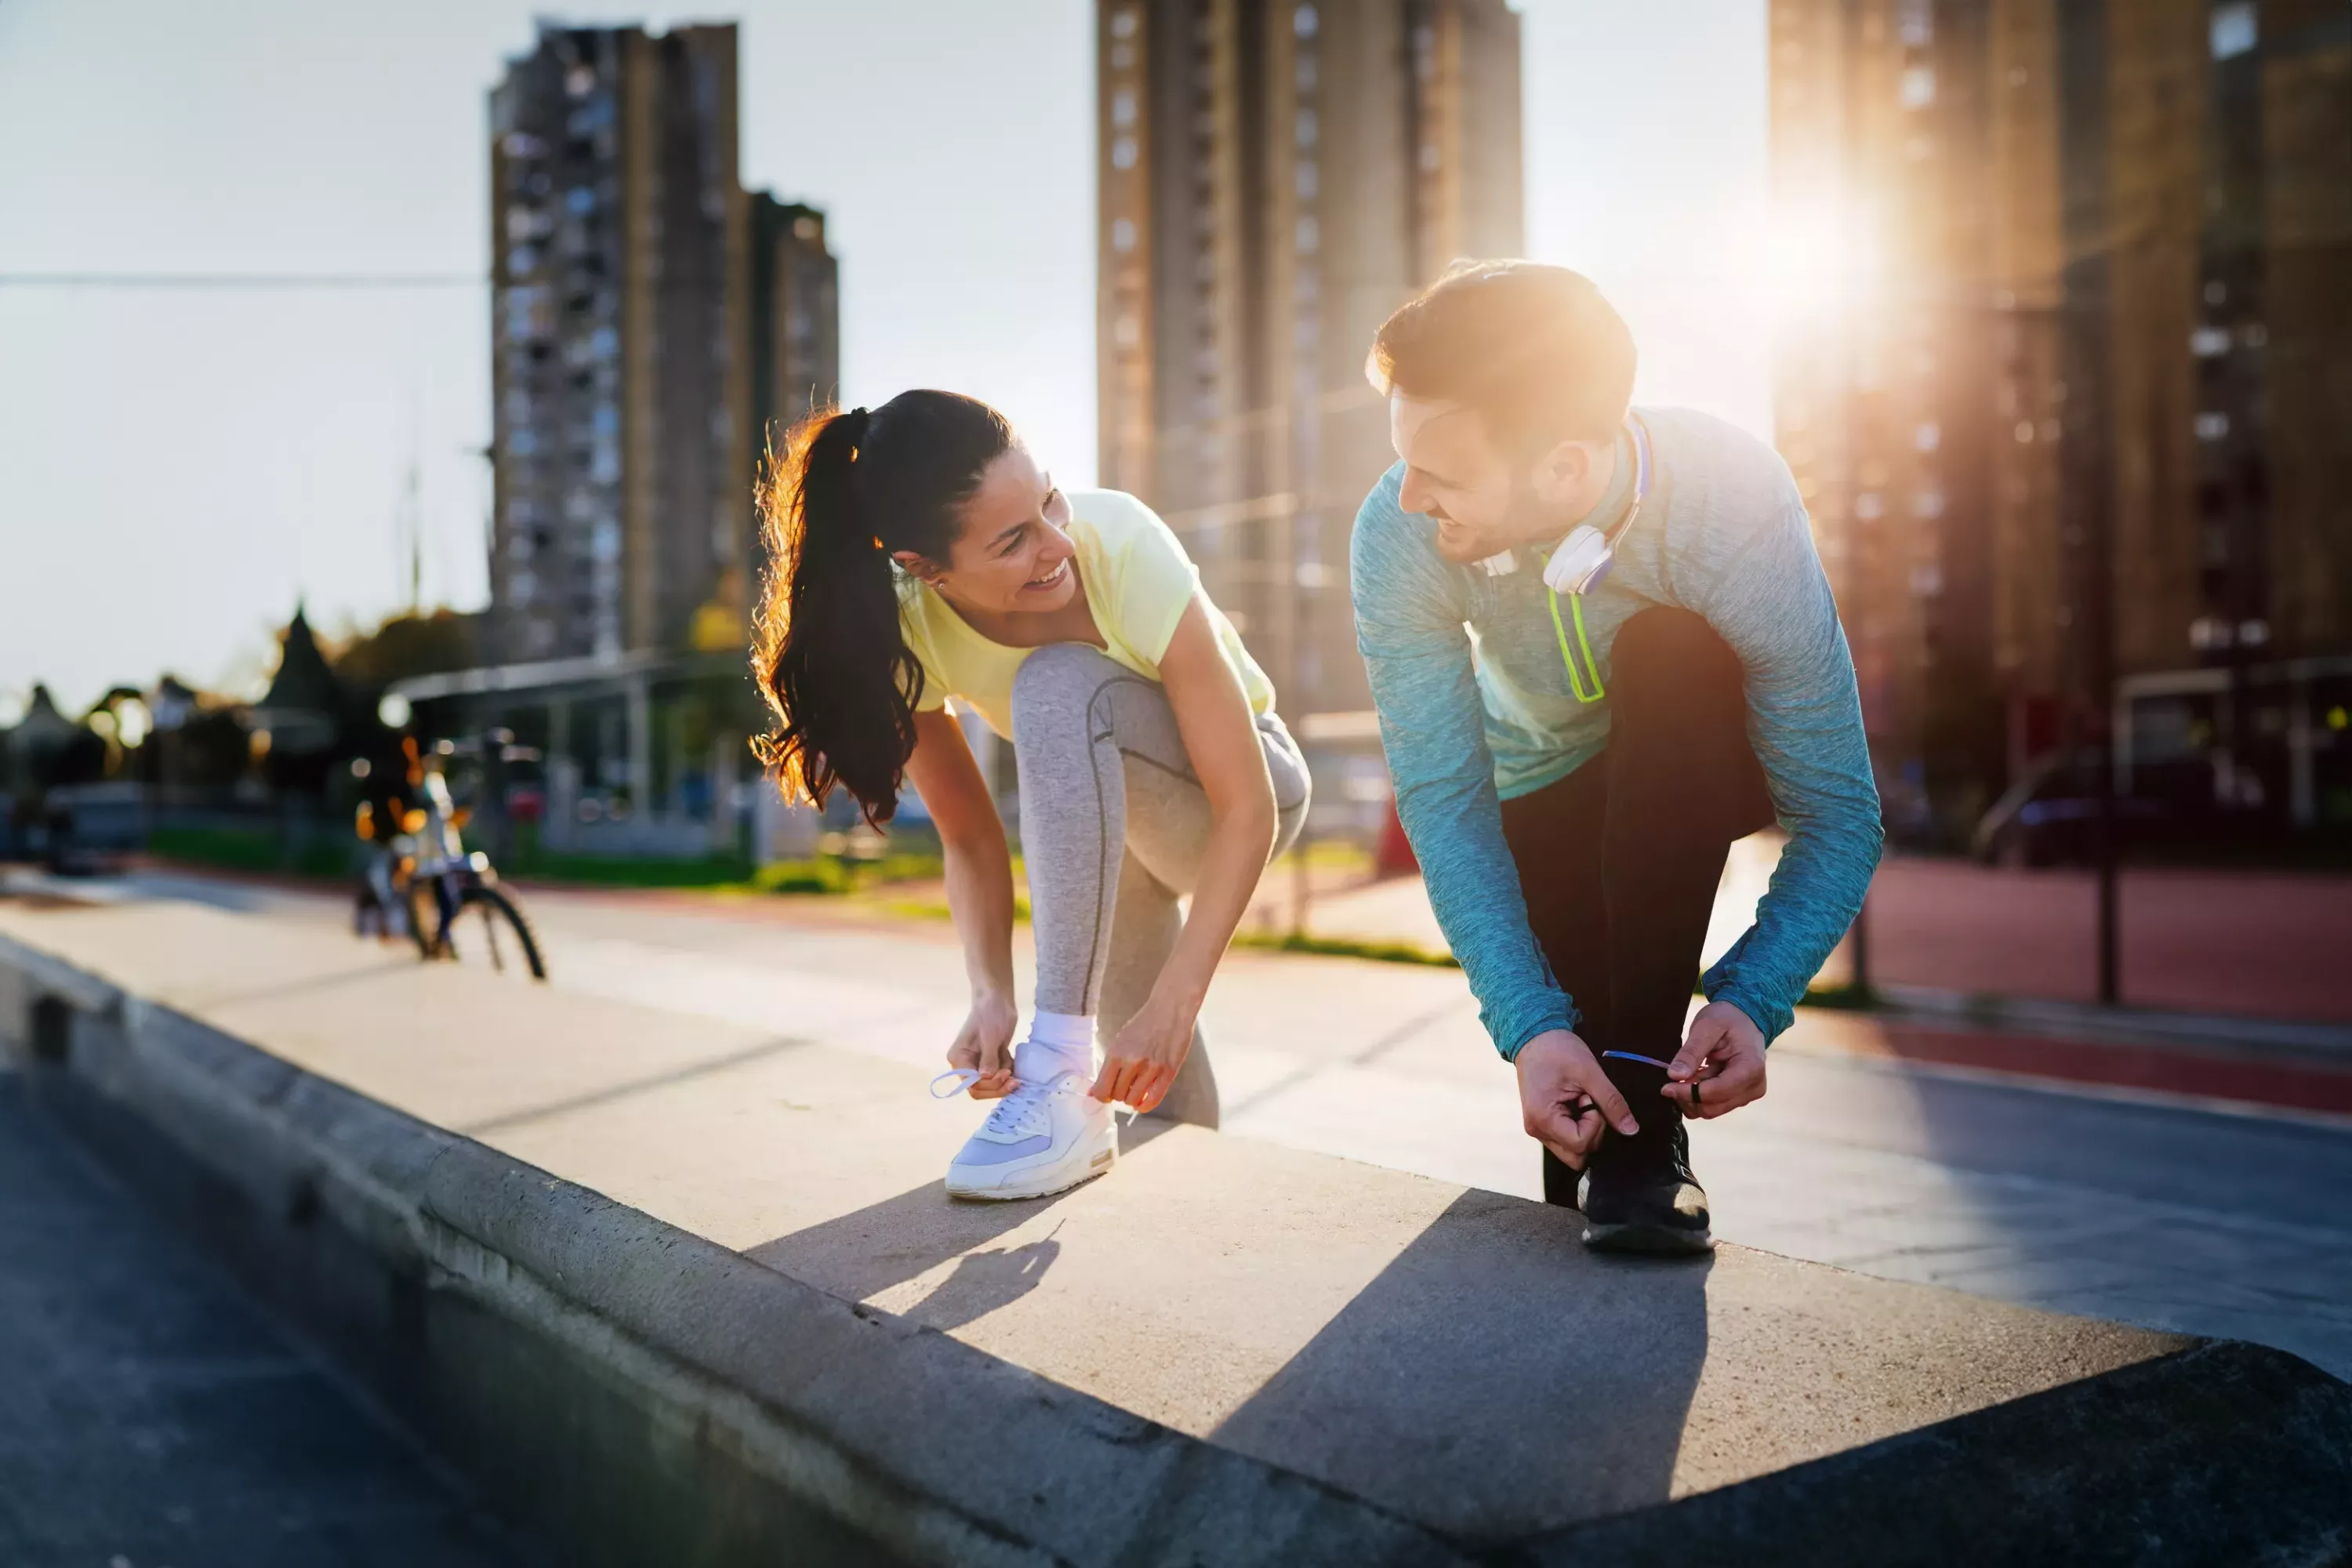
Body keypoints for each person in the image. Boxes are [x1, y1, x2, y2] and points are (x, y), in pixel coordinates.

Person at [1349, 263, 1882, 1254]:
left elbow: (1840, 812)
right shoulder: (1397, 532)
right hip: (1536, 784)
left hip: (1690, 757)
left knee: (1669, 650)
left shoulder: (1731, 501)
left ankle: (1645, 1119)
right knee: (1581, 1121)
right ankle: (1625, 1158)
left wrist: (1753, 996)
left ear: (1561, 468)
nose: (1409, 495)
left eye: (1442, 471)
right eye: (1403, 459)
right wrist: (1528, 1022)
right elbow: (1443, 798)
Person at [752, 390, 1309, 1201]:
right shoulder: (906, 628)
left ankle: (1055, 1056)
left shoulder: (1119, 541)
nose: (1057, 543)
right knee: (1154, 1096)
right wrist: (989, 993)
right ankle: (1167, 1218)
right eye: (1014, 539)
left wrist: (1176, 1002)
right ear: (924, 568)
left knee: (1057, 684)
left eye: (1048, 499)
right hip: (1114, 846)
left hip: (1246, 795)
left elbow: (1249, 807)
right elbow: (971, 838)